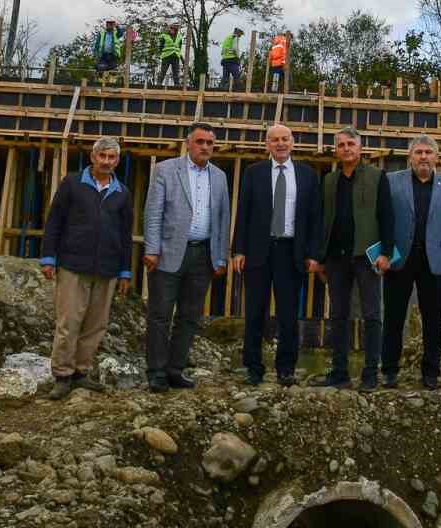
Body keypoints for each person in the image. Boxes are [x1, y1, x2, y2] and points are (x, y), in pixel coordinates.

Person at [141, 122, 230, 392]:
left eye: (210, 143)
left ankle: (175, 370)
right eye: (200, 142)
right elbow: (153, 212)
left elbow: (223, 219)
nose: (205, 147)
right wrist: (152, 249)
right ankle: (156, 372)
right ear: (188, 143)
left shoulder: (219, 176)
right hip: (168, 252)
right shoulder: (166, 170)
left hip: (202, 255)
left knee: (189, 316)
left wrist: (220, 258)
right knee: (160, 315)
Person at [41, 138, 132, 398]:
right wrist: (49, 257)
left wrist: (125, 270)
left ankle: (81, 373)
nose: (106, 161)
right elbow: (54, 220)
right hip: (73, 264)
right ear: (92, 157)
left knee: (95, 324)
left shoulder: (122, 192)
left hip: (107, 268)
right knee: (69, 321)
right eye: (102, 156)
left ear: (117, 160)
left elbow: (125, 234)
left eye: (111, 157)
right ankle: (62, 375)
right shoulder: (72, 183)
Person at [232, 124, 320, 386]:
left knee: (288, 314)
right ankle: (253, 368)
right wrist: (238, 249)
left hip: (291, 252)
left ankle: (286, 368)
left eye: (285, 139)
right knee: (255, 312)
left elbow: (315, 218)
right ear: (267, 144)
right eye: (275, 140)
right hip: (259, 251)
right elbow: (243, 212)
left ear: (293, 143)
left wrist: (313, 253)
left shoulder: (306, 175)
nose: (280, 144)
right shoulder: (253, 173)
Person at [313, 127, 394, 390]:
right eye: (341, 145)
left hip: (366, 256)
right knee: (338, 315)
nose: (346, 149)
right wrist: (320, 258)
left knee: (372, 315)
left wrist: (386, 253)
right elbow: (322, 220)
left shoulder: (377, 176)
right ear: (335, 150)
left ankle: (370, 373)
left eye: (351, 144)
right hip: (336, 257)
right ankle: (340, 372)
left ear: (360, 148)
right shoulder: (328, 181)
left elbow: (387, 216)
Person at [381, 135, 441, 389]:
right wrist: (379, 254)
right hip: (399, 259)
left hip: (434, 261)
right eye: (419, 152)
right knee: (393, 318)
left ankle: (430, 372)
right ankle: (390, 371)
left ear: (437, 157)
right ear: (410, 156)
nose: (424, 157)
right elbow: (380, 220)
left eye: (428, 152)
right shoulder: (392, 181)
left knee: (433, 319)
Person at [155, 24, 185, 88]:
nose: (171, 30)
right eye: (171, 28)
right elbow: (161, 47)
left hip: (175, 56)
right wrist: (161, 54)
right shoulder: (164, 36)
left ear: (176, 30)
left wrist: (182, 59)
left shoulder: (179, 37)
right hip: (166, 56)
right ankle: (159, 84)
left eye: (173, 29)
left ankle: (177, 85)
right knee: (163, 71)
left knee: (176, 72)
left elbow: (179, 49)